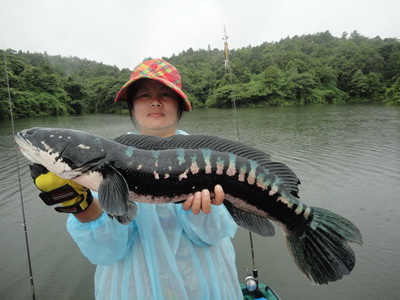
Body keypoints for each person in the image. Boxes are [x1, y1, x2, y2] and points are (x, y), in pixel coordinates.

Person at [31, 58, 243, 299]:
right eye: (144, 95)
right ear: (131, 106)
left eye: (165, 93)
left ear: (180, 105)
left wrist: (203, 209)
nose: (155, 101)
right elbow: (106, 252)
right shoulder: (105, 160)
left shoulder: (212, 162)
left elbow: (214, 235)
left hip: (205, 286)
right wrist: (77, 204)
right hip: (133, 289)